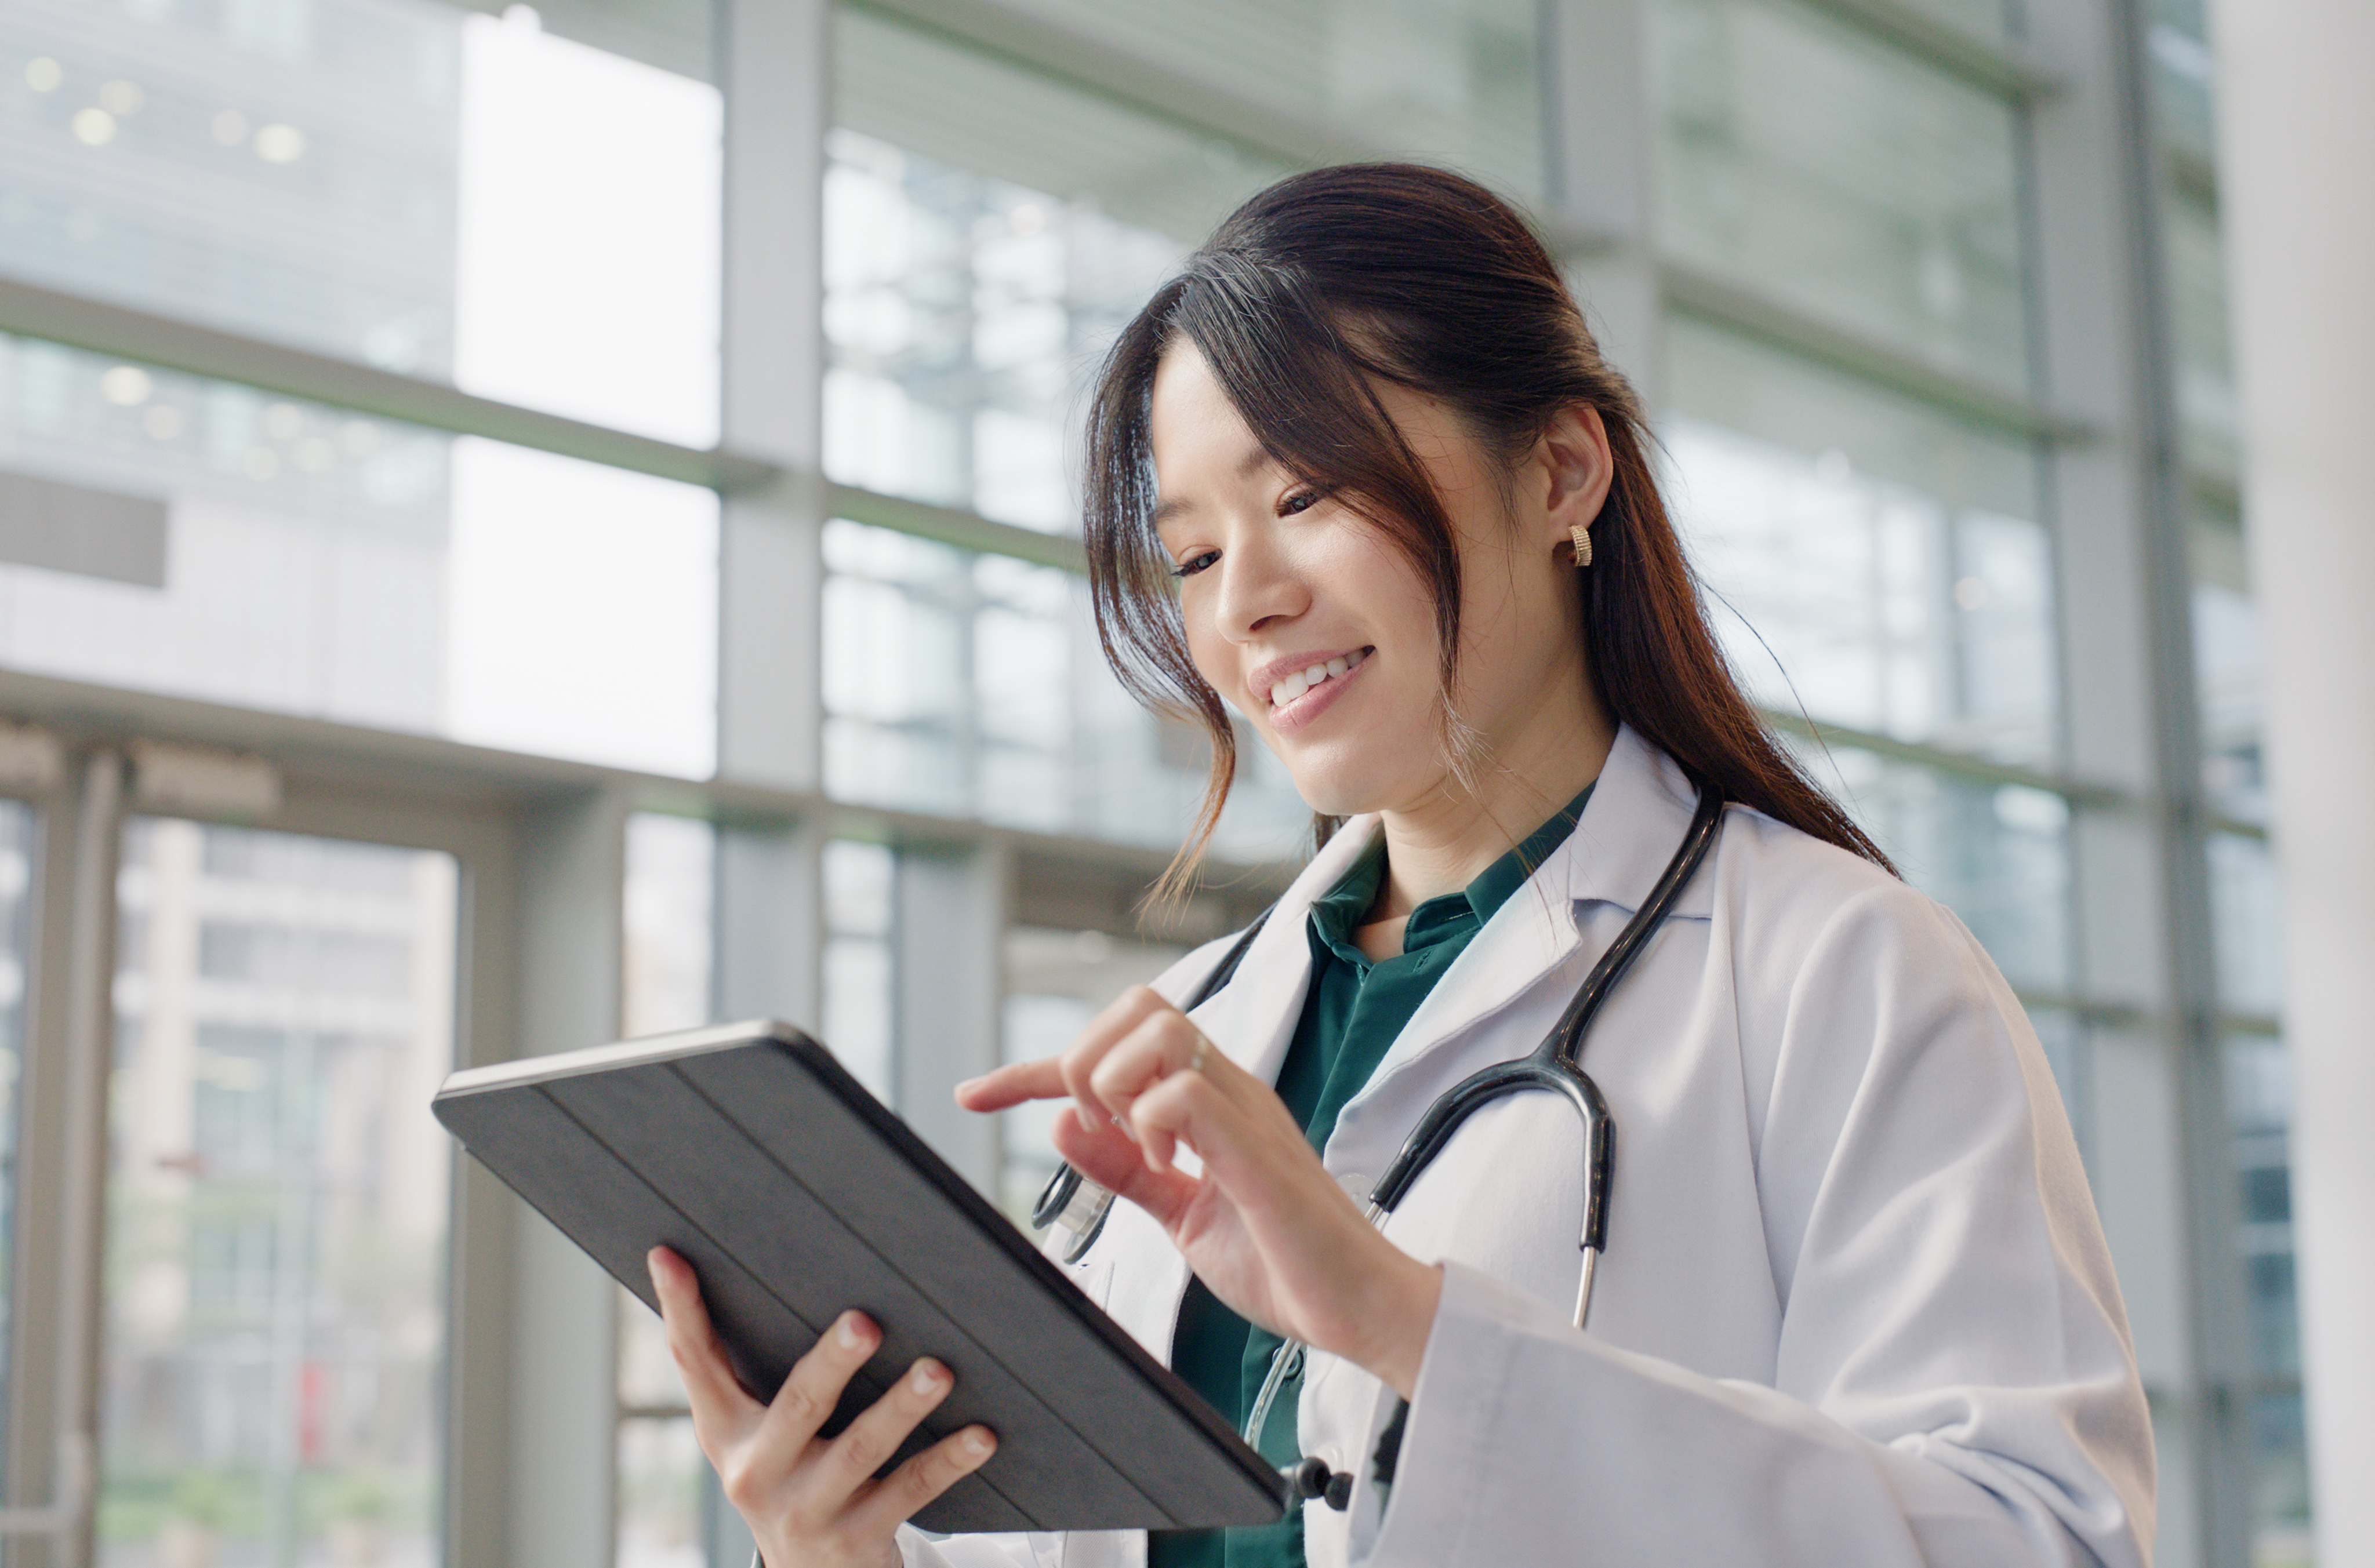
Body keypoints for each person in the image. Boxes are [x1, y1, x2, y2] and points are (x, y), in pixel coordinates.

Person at [647, 163, 2155, 1568]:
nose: (1245, 602)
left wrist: (1407, 1321)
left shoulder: (1845, 974)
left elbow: (2043, 1536)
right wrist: (839, 1545)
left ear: (1563, 470)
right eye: (1189, 553)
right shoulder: (1195, 1030)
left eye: (1304, 493)